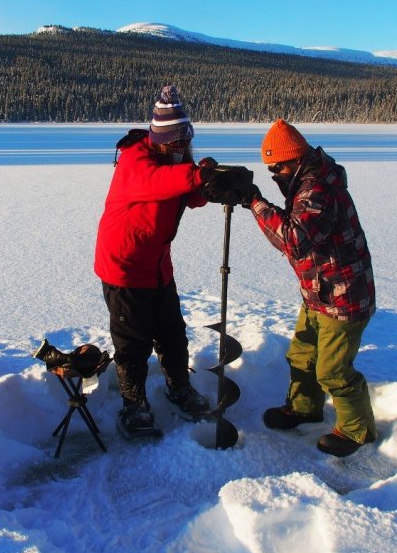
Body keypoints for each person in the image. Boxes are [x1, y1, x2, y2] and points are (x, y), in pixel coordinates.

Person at [239, 118, 377, 457]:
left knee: (334, 370)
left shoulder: (319, 189)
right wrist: (252, 201)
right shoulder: (306, 180)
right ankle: (304, 408)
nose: (275, 174)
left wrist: (255, 201)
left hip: (343, 299)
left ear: (295, 159)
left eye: (277, 167)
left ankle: (358, 430)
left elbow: (295, 239)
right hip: (320, 292)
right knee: (302, 355)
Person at [94, 85, 214, 438]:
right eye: (175, 143)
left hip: (158, 263)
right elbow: (157, 183)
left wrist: (213, 185)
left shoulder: (175, 160)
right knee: (132, 341)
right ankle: (134, 405)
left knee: (173, 333)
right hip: (125, 265)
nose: (181, 150)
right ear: (159, 139)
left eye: (184, 143)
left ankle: (178, 388)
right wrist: (197, 176)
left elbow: (187, 195)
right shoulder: (136, 160)